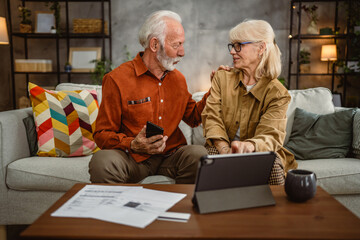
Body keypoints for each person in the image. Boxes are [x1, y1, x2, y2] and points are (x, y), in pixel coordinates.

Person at [89, 10, 209, 184]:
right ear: (154, 45)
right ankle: (116, 210)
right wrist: (132, 144)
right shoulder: (116, 79)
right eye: (176, 45)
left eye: (182, 44)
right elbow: (101, 134)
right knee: (102, 162)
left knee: (199, 155)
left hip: (170, 157)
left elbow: (193, 118)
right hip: (131, 158)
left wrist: (215, 91)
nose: (182, 52)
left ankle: (182, 208)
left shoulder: (178, 79)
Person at [202, 19, 297, 185]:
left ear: (260, 48)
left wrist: (249, 147)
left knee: (272, 163)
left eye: (239, 45)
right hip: (222, 148)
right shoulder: (222, 78)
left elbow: (271, 135)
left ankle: (277, 211)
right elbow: (211, 118)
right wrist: (225, 150)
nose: (232, 51)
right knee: (205, 158)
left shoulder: (278, 93)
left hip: (258, 152)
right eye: (232, 45)